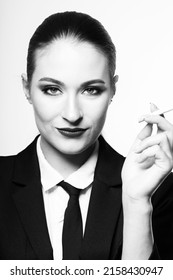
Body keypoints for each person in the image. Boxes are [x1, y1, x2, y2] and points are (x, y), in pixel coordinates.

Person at [0, 11, 173, 260]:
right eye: (52, 89)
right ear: (27, 89)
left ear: (113, 89)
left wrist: (137, 203)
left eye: (91, 90)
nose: (72, 114)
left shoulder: (161, 192)